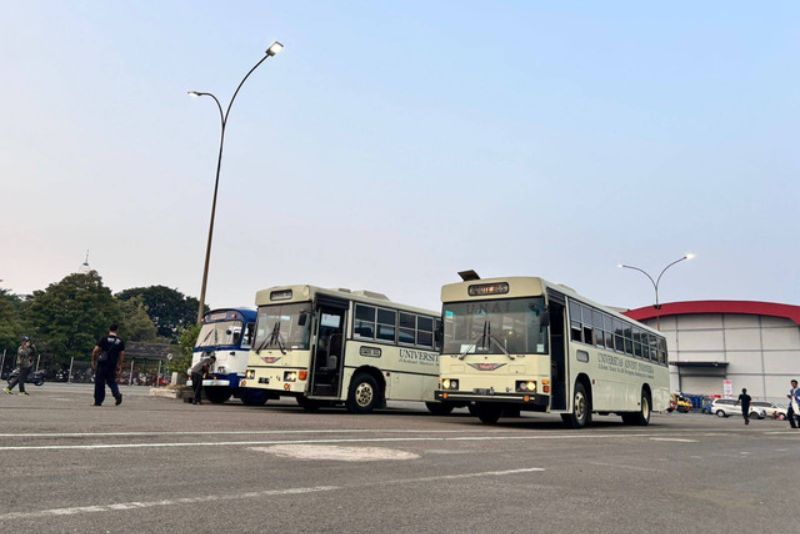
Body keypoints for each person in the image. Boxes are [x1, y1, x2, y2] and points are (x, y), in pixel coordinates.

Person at [91, 325, 125, 407]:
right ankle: (117, 395)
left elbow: (95, 351)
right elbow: (122, 354)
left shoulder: (104, 339)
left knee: (99, 383)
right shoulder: (120, 341)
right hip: (112, 365)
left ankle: (98, 401)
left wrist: (94, 360)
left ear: (109, 329)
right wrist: (119, 365)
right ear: (117, 330)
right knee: (112, 381)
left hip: (102, 364)